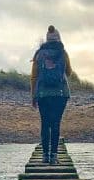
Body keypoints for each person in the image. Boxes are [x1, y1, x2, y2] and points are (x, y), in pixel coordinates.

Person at [30, 25, 72, 164]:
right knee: (55, 124)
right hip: (60, 94)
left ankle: (45, 156)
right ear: (59, 38)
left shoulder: (39, 54)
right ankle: (54, 156)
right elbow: (69, 72)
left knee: (45, 123)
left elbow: (34, 77)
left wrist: (33, 96)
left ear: (47, 39)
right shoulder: (63, 53)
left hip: (43, 94)